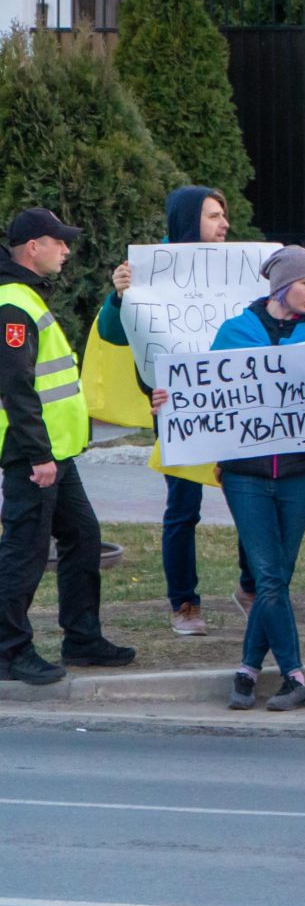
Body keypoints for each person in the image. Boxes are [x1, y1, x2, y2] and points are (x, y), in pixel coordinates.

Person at [179, 246, 305, 711]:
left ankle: (248, 669)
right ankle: (295, 676)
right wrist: (170, 398)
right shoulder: (234, 331)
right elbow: (206, 394)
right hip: (245, 475)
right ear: (282, 285)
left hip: (299, 474)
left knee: (277, 578)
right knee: (269, 574)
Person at [97, 185, 250, 637]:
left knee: (249, 497)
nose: (224, 225)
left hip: (236, 402)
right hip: (178, 407)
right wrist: (119, 296)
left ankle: (252, 586)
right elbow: (115, 333)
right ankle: (184, 603)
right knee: (183, 509)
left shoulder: (240, 269)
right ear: (188, 220)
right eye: (213, 216)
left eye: (224, 216)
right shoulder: (148, 270)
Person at [0, 210, 133, 686]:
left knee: (83, 537)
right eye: (60, 242)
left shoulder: (27, 296)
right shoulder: (13, 302)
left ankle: (82, 638)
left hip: (54, 452)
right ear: (33, 246)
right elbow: (15, 387)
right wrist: (37, 455)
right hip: (33, 454)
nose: (67, 250)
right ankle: (10, 650)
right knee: (25, 550)